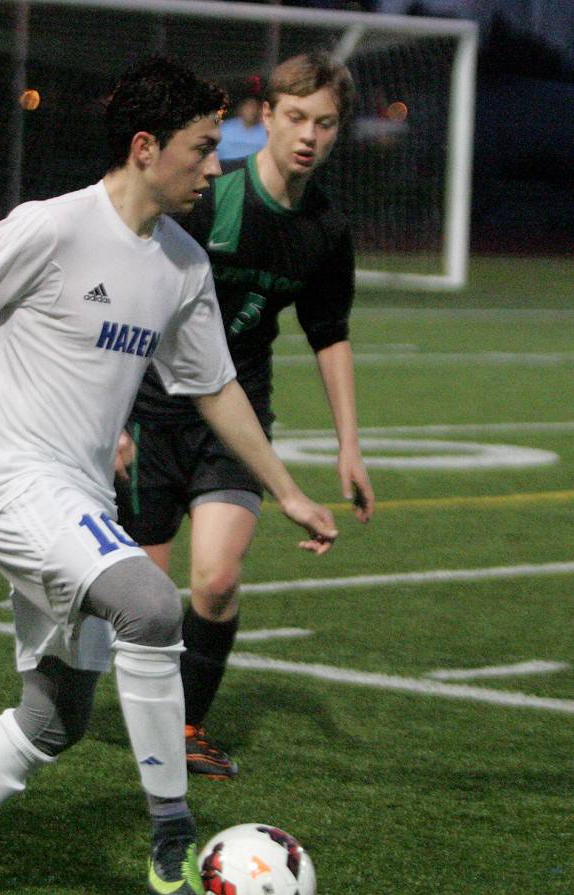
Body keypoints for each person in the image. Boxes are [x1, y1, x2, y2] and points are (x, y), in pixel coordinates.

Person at [0, 56, 338, 895]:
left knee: (55, 718)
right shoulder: (49, 227)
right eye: (199, 149)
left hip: (78, 496)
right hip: (13, 486)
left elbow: (214, 388)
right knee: (151, 605)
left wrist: (286, 489)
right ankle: (171, 835)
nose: (213, 168)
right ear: (146, 148)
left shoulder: (182, 264)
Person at [116, 52, 375, 780]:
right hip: (152, 414)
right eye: (295, 117)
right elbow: (137, 303)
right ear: (265, 116)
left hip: (236, 421)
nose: (307, 136)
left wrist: (347, 446)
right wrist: (110, 421)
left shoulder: (324, 229)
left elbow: (329, 334)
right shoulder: (208, 200)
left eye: (323, 124)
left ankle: (186, 728)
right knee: (144, 607)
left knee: (219, 580)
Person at [216, 77, 267, 160]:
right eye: (248, 107)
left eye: (254, 107)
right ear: (240, 109)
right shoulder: (225, 129)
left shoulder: (267, 132)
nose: (251, 111)